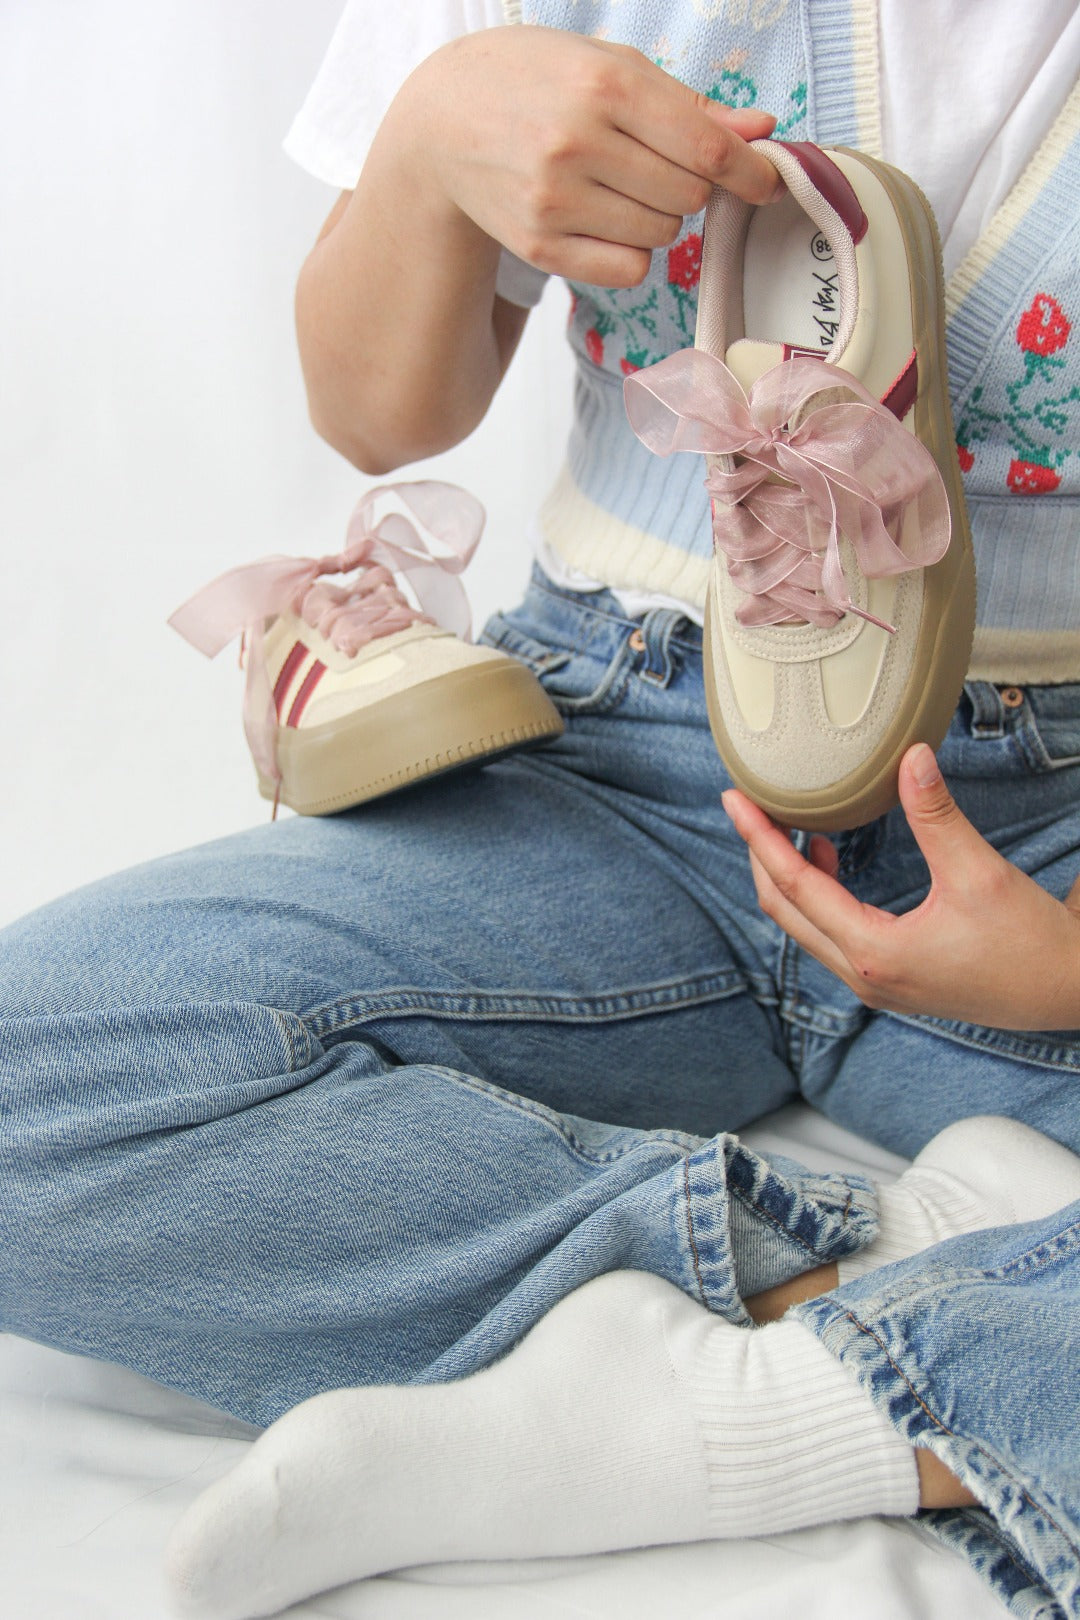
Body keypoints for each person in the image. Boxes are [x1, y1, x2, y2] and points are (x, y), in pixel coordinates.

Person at [3, 4, 1079, 1618]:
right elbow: (379, 414)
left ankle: (734, 1422)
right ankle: (880, 1270)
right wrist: (433, 147)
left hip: (1040, 847)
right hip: (618, 762)